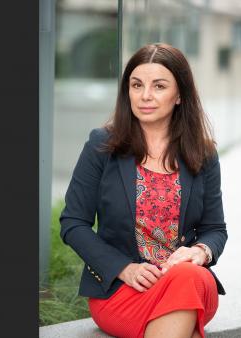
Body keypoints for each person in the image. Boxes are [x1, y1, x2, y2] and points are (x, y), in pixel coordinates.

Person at [60, 43, 227, 338]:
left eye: (159, 86)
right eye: (136, 85)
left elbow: (215, 229)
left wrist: (200, 252)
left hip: (187, 284)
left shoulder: (202, 153)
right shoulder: (102, 146)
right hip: (121, 291)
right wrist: (124, 268)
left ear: (179, 96)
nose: (145, 95)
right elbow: (73, 223)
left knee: (188, 275)